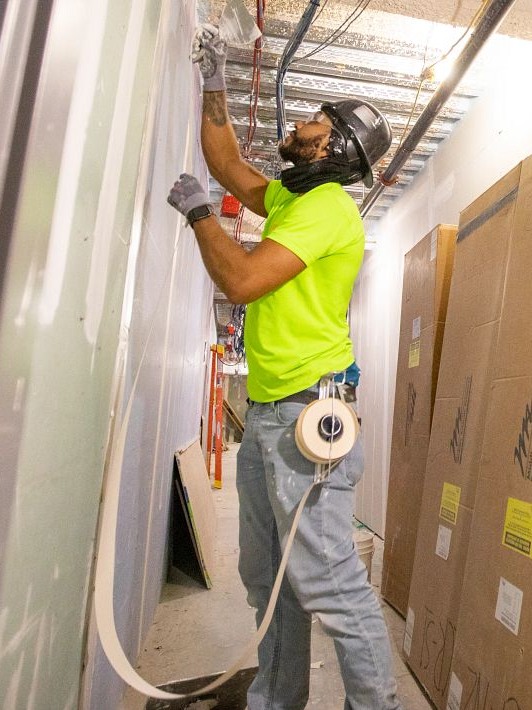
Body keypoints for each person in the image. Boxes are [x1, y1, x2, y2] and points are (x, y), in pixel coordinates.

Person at [168, 24, 401, 710]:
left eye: (314, 121)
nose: (300, 123)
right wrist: (214, 81)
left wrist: (202, 218)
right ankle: (277, 698)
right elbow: (225, 160)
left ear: (331, 145)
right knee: (269, 575)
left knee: (329, 581)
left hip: (306, 416)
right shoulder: (294, 197)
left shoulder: (328, 210)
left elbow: (240, 280)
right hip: (270, 412)